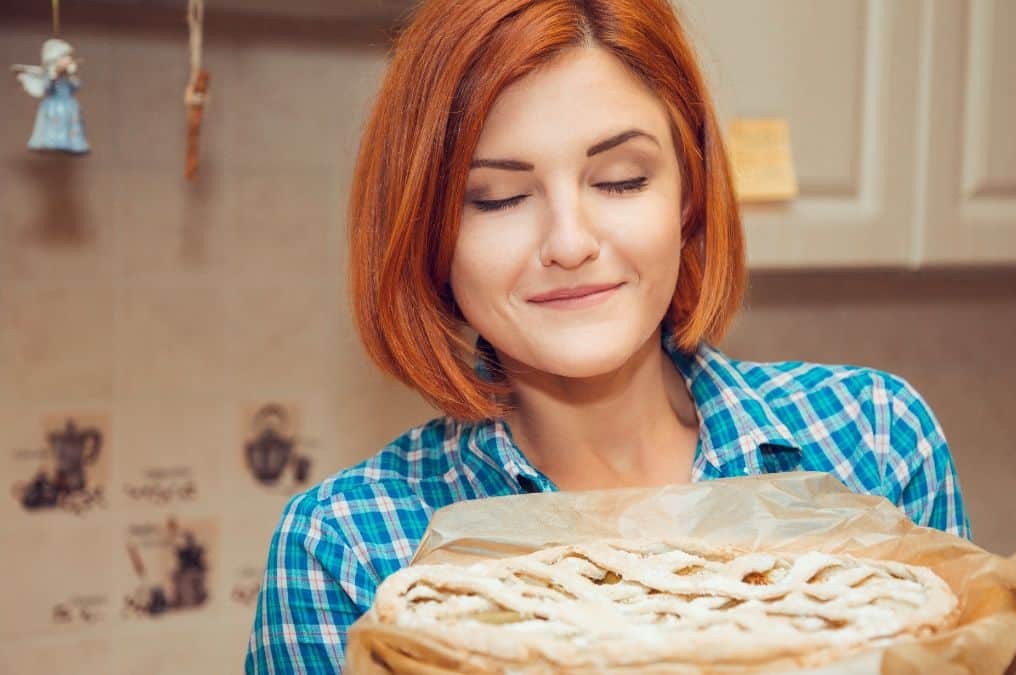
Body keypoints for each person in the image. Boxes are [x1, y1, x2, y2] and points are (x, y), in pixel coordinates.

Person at [245, 0, 970, 671]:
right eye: (498, 197)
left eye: (621, 179)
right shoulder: (345, 548)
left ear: (688, 192)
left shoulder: (873, 442)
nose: (569, 241)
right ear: (432, 235)